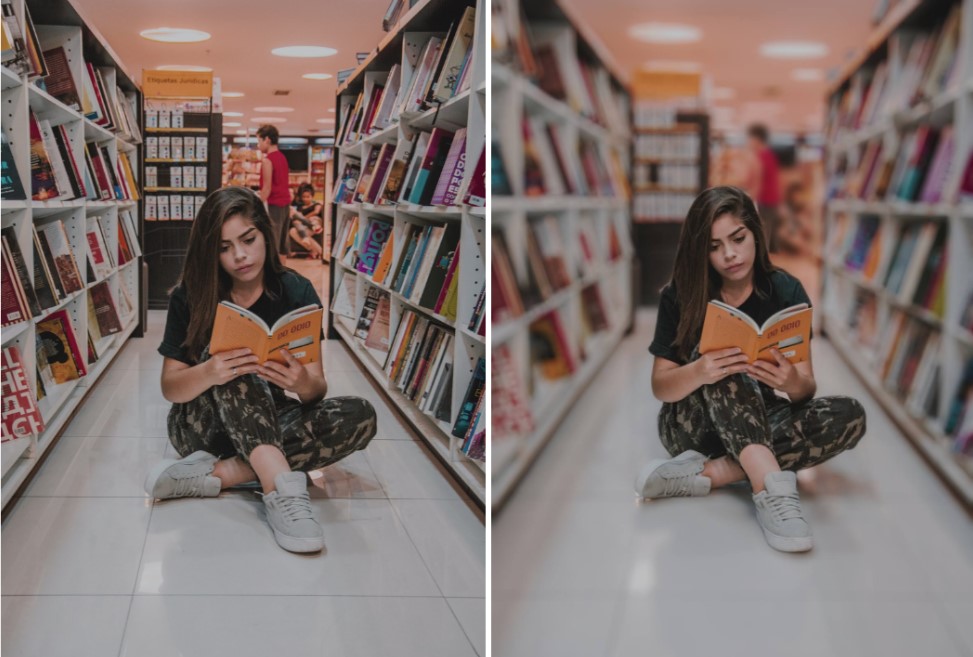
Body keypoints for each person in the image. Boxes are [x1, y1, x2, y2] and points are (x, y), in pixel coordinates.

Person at [144, 186, 377, 553]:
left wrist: (301, 382)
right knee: (238, 358)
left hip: (267, 418)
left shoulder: (297, 291)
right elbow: (171, 388)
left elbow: (316, 390)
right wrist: (211, 370)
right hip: (200, 429)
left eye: (248, 239)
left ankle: (221, 474)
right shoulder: (189, 295)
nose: (240, 255)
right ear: (211, 252)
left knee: (360, 414)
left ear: (265, 234)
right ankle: (281, 489)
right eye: (223, 247)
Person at [634, 185, 866, 553]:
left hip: (756, 416)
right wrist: (701, 370)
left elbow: (805, 389)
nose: (729, 254)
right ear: (701, 251)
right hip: (690, 428)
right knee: (728, 359)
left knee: (850, 415)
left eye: (738, 238)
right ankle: (771, 490)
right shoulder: (679, 294)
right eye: (713, 246)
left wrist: (791, 381)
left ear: (756, 233)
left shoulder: (786, 290)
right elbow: (661, 386)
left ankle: (715, 472)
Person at [746, 123, 783, 253]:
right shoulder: (769, 155)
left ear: (757, 139)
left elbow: (757, 181)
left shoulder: (760, 157)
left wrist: (750, 199)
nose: (749, 142)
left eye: (750, 139)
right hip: (772, 199)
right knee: (768, 231)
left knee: (763, 232)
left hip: (766, 200)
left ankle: (763, 263)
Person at [256, 124, 291, 256]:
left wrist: (255, 205)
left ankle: (272, 276)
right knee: (282, 246)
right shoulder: (283, 157)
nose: (258, 145)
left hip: (273, 206)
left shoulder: (267, 161)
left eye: (259, 141)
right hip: (285, 204)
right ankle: (282, 275)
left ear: (267, 140)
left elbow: (267, 189)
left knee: (272, 245)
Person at [288, 182, 324, 258]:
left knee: (313, 220)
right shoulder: (300, 207)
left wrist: (304, 218)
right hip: (304, 226)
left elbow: (316, 212)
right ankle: (317, 250)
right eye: (304, 197)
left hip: (315, 222)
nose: (305, 199)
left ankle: (316, 250)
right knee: (292, 231)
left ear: (312, 196)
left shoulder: (316, 204)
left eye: (308, 197)